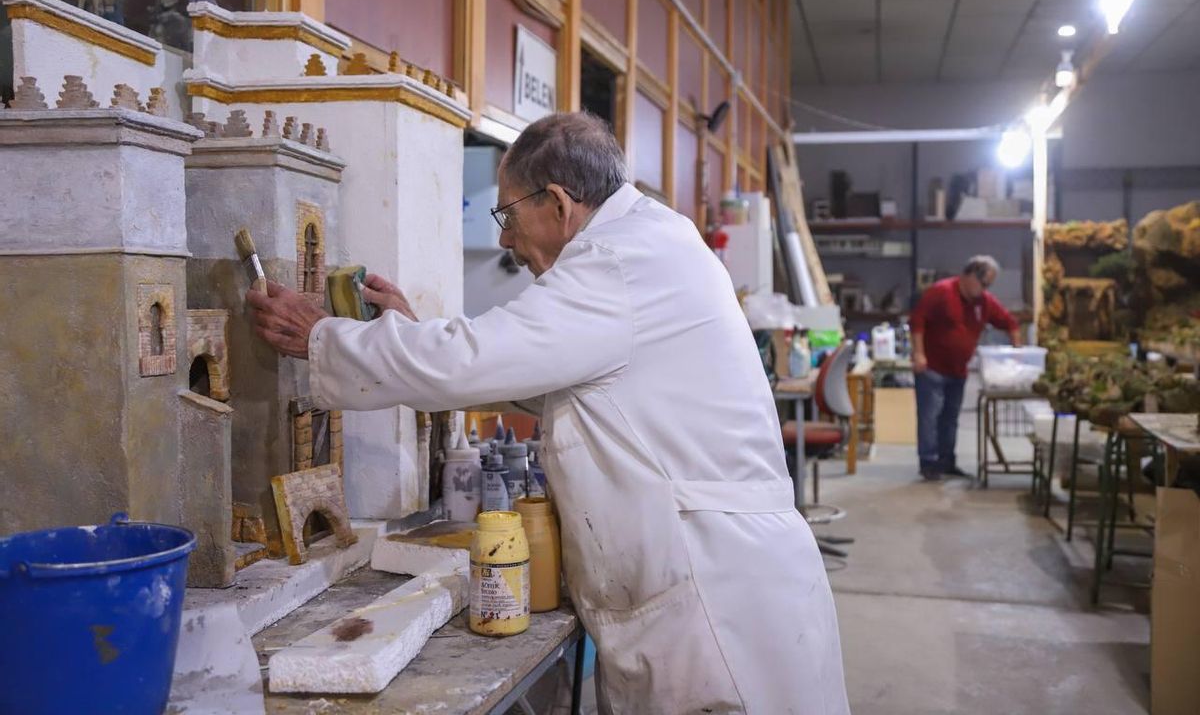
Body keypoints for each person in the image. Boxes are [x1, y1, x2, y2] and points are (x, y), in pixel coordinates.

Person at [246, 112, 849, 714]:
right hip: (715, 577)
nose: (506, 240)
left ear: (557, 203)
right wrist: (411, 333)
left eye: (508, 214)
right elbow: (546, 378)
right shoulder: (651, 243)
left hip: (713, 599)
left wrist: (323, 336)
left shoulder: (617, 261)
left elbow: (475, 359)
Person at [909, 255, 1020, 481]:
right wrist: (918, 353)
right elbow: (917, 321)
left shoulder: (984, 302)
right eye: (984, 283)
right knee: (930, 416)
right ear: (969, 276)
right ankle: (929, 463)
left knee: (950, 418)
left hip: (958, 370)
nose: (986, 289)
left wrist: (1018, 351)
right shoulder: (941, 292)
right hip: (932, 368)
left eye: (989, 285)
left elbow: (1009, 322)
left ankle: (947, 461)